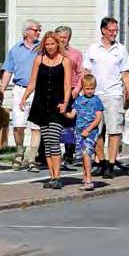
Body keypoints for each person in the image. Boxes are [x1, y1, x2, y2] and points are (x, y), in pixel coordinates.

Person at [83, 17, 129, 179]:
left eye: (116, 31)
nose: (114, 33)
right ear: (103, 30)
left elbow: (125, 74)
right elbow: (86, 72)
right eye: (111, 30)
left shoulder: (120, 49)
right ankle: (102, 161)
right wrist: (83, 93)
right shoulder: (93, 48)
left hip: (114, 94)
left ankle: (111, 164)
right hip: (95, 95)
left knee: (114, 130)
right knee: (95, 131)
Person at [21, 32, 72, 189]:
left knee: (54, 139)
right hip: (41, 105)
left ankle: (58, 176)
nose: (50, 47)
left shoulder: (65, 61)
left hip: (57, 106)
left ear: (58, 44)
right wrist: (24, 97)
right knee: (47, 142)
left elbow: (67, 85)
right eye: (47, 44)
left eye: (53, 44)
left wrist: (65, 103)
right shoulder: (39, 59)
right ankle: (51, 177)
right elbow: (32, 82)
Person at [0, 20, 42, 171]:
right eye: (35, 30)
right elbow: (8, 70)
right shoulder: (15, 50)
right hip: (20, 89)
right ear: (26, 31)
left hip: (37, 90)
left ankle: (32, 158)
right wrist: (1, 91)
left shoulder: (42, 48)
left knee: (36, 126)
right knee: (18, 124)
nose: (38, 32)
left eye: (39, 30)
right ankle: (19, 152)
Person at [66, 75, 103, 191]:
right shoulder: (78, 100)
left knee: (87, 153)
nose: (89, 91)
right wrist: (62, 113)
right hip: (79, 132)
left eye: (92, 88)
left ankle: (89, 180)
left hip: (90, 132)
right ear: (82, 88)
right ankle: (85, 176)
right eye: (87, 88)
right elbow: (72, 115)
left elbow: (98, 119)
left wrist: (88, 130)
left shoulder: (96, 100)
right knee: (82, 155)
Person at [54, 26, 84, 169]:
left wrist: (76, 90)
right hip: (55, 90)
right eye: (59, 37)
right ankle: (49, 153)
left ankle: (69, 153)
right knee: (53, 121)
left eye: (64, 37)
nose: (62, 40)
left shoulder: (75, 54)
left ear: (69, 38)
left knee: (69, 123)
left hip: (71, 90)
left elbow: (81, 74)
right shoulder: (51, 53)